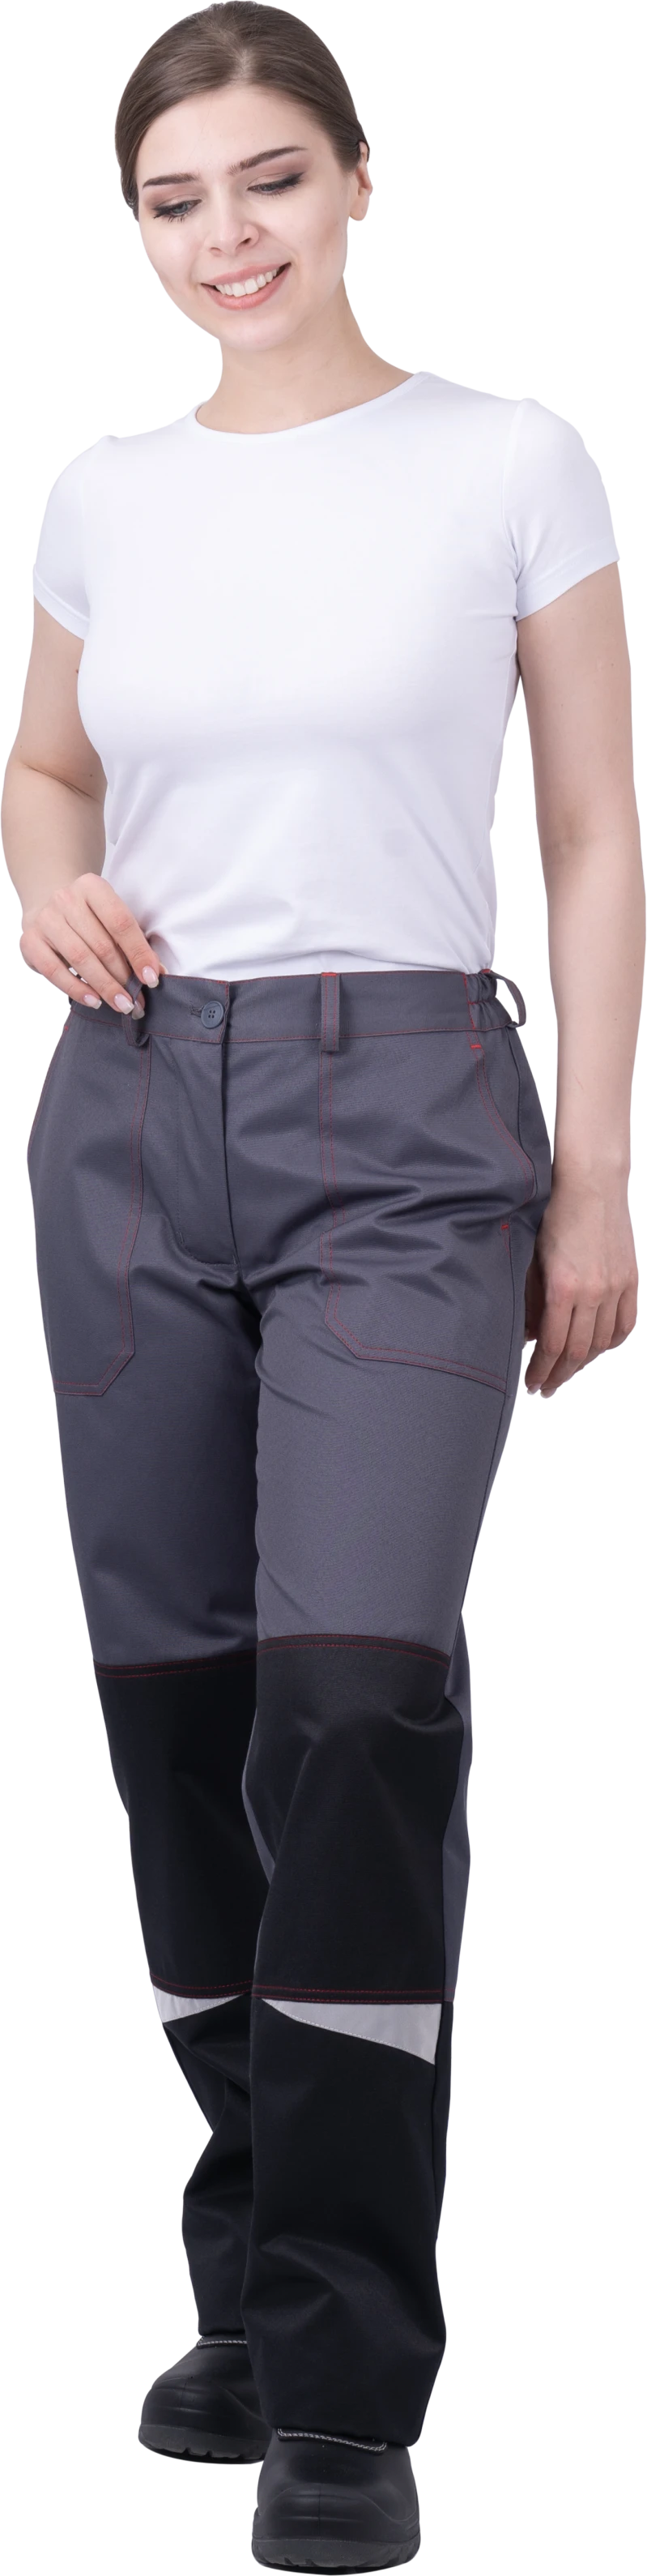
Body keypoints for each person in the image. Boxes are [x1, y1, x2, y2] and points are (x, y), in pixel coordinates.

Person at [2, 7, 642, 2567]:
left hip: (406, 1121)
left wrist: (588, 1173)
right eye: (174, 202)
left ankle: (350, 2381)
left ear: (357, 179)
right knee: (176, 1712)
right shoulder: (106, 493)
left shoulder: (505, 459)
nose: (225, 235)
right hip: (134, 1113)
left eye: (267, 177)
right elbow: (51, 764)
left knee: (354, 1699)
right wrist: (43, 881)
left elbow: (589, 828)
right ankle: (252, 2275)